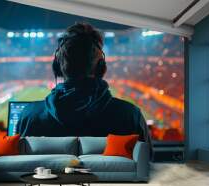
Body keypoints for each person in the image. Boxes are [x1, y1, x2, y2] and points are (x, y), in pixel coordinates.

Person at [16, 22, 151, 145]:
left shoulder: (28, 116)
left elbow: (17, 166)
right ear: (101, 67)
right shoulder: (130, 116)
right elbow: (146, 165)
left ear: (57, 66)